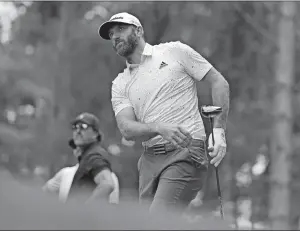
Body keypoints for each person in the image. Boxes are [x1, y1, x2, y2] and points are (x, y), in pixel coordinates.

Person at [98, 12, 230, 213]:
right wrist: (159, 128)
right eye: (111, 33)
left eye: (121, 29)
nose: (115, 36)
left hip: (187, 151)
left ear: (139, 30)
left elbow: (218, 82)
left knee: (156, 219)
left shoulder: (174, 52)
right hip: (149, 160)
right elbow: (126, 128)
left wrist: (219, 131)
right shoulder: (120, 84)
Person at [42, 112, 119, 204]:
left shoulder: (94, 156)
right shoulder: (87, 159)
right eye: (75, 127)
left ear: (95, 134)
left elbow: (107, 184)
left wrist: (84, 211)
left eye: (83, 126)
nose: (78, 131)